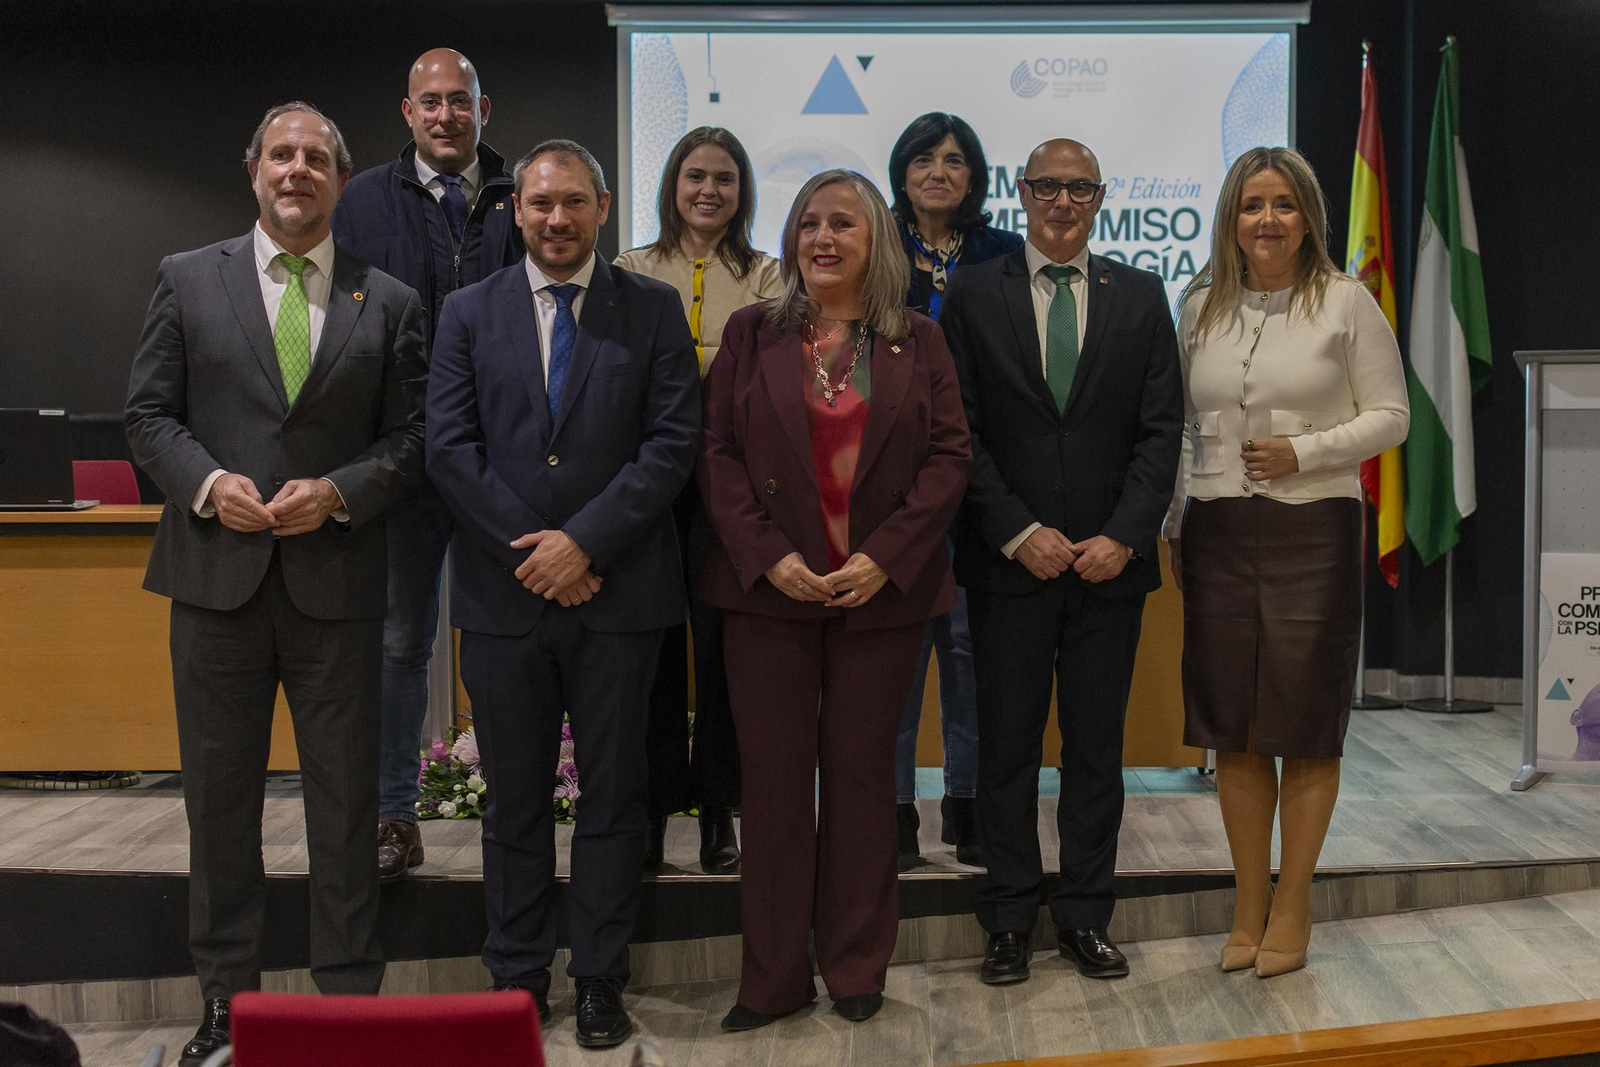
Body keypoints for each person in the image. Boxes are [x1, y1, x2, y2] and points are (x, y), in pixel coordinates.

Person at [125, 102, 426, 1065]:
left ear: (342, 181)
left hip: (337, 591)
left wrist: (338, 492)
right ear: (253, 169)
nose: (299, 170)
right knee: (219, 806)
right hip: (216, 585)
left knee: (345, 810)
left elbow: (413, 441)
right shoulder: (186, 278)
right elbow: (148, 415)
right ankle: (229, 1006)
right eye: (282, 155)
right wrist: (210, 486)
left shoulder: (390, 302)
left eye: (318, 159)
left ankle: (347, 1007)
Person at [426, 139, 700, 1047]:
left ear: (604, 206)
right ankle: (515, 974)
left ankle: (599, 979)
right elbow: (449, 451)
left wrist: (582, 543)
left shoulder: (653, 310)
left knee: (615, 801)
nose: (555, 218)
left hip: (620, 598)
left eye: (573, 202)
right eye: (540, 203)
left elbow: (670, 447)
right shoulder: (467, 312)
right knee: (512, 803)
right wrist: (535, 553)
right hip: (506, 603)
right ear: (516, 210)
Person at [699, 170, 970, 1029]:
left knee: (859, 785)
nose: (822, 238)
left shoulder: (919, 341)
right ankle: (771, 980)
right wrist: (768, 556)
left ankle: (856, 966)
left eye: (842, 224)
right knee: (774, 789)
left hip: (878, 599)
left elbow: (949, 460)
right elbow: (717, 455)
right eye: (809, 223)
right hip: (771, 596)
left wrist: (886, 559)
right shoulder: (749, 334)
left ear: (875, 240)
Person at [940, 138, 1183, 986]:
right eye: (1048, 185)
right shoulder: (972, 295)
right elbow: (958, 432)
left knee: (1096, 753)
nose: (1064, 201)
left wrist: (1125, 532)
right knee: (1005, 751)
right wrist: (1017, 530)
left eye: (1081, 188)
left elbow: (1161, 432)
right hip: (1011, 567)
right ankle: (1008, 919)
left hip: (1109, 568)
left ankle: (1085, 915)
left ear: (1102, 197)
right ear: (1022, 191)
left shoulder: (1145, 296)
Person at [1165, 146, 1408, 978]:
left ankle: (1295, 902)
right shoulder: (1198, 304)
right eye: (1250, 205)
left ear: (1309, 216)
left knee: (1304, 727)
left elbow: (1393, 416)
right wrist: (1172, 520)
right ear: (1230, 218)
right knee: (1232, 728)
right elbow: (1181, 427)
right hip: (1219, 533)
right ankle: (1247, 903)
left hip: (1314, 533)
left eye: (1282, 204)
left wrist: (1306, 450)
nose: (1266, 220)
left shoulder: (1345, 302)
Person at [331, 48, 523, 882]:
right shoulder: (361, 202)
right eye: (430, 102)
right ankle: (393, 816)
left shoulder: (529, 196)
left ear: (486, 110)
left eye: (461, 101)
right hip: (402, 456)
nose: (446, 114)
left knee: (510, 643)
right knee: (401, 641)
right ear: (407, 113)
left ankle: (520, 813)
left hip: (506, 463)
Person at [615, 127, 782, 874]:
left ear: (742, 190)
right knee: (651, 658)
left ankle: (720, 816)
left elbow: (771, 386)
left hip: (732, 491)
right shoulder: (628, 268)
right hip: (648, 485)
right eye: (694, 177)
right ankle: (648, 818)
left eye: (724, 177)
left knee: (722, 657)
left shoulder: (774, 278)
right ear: (671, 186)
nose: (708, 190)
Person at [886, 111, 1023, 869]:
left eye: (955, 159)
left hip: (978, 480)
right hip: (892, 485)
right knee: (900, 656)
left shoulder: (1004, 252)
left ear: (974, 176)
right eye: (924, 158)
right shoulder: (872, 243)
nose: (939, 170)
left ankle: (967, 809)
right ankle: (896, 813)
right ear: (902, 169)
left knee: (970, 655)